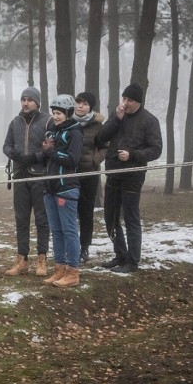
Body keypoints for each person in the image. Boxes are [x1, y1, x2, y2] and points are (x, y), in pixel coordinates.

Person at [97, 83, 163, 273]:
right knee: (110, 216)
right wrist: (115, 120)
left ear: (138, 102)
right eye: (124, 98)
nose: (125, 103)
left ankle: (132, 261)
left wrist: (132, 155)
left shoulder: (149, 120)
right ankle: (120, 255)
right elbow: (101, 137)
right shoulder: (118, 114)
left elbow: (156, 150)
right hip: (113, 172)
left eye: (130, 100)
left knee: (130, 216)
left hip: (133, 175)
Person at [24, 95, 84, 287]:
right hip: (49, 188)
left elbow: (73, 160)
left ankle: (73, 272)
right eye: (54, 113)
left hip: (66, 188)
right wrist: (44, 151)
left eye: (58, 113)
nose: (55, 117)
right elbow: (45, 158)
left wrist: (53, 152)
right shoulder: (51, 132)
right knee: (56, 231)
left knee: (69, 231)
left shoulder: (75, 132)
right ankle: (59, 269)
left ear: (67, 113)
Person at [2, 86, 53, 277]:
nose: (25, 103)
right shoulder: (15, 122)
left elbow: (51, 147)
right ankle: (22, 260)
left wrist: (35, 157)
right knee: (21, 219)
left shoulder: (48, 121)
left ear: (37, 102)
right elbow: (6, 145)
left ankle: (42, 259)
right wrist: (13, 154)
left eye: (29, 99)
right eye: (23, 99)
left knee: (42, 219)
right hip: (19, 176)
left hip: (40, 177)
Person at [72, 92, 107, 263]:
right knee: (70, 212)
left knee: (86, 213)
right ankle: (71, 246)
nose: (80, 106)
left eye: (85, 104)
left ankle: (84, 247)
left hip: (89, 175)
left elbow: (105, 147)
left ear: (90, 107)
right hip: (70, 175)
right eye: (78, 102)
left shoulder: (98, 126)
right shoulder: (67, 122)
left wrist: (94, 160)